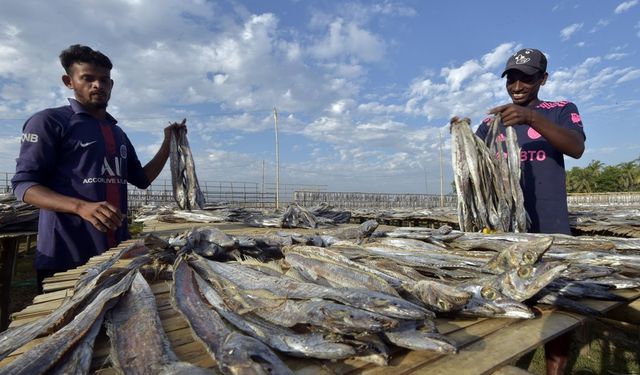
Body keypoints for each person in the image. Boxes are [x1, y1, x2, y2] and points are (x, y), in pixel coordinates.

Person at [453, 48, 586, 374]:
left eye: (526, 78)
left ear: (542, 79)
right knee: (505, 300)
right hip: (504, 229)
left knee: (555, 307)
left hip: (549, 225)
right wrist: (462, 134)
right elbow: (478, 168)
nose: (517, 85)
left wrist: (531, 118)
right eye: (511, 77)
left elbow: (577, 148)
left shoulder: (560, 110)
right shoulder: (492, 121)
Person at [11, 44, 184, 293]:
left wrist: (169, 143)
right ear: (68, 81)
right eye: (88, 78)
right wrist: (81, 207)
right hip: (66, 256)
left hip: (115, 254)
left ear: (111, 85)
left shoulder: (117, 133)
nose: (97, 85)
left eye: (104, 80)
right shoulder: (50, 121)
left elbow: (142, 179)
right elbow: (24, 185)